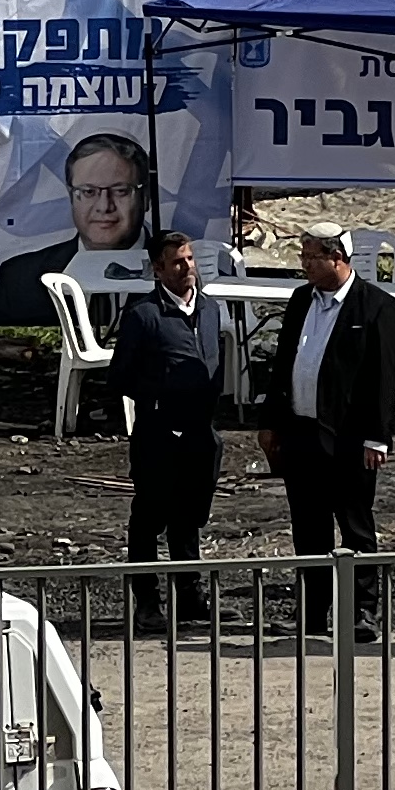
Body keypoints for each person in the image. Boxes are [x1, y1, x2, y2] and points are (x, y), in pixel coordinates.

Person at [264, 226, 395, 645]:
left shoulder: (377, 307)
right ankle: (311, 612)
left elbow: (384, 378)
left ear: (337, 257)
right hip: (301, 431)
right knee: (308, 528)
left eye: (312, 257)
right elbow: (284, 361)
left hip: (348, 437)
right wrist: (271, 422)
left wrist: (377, 437)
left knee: (356, 527)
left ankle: (363, 611)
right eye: (303, 256)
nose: (305, 264)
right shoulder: (301, 300)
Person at [107, 227, 229, 634]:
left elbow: (215, 360)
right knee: (149, 515)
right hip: (159, 431)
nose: (187, 268)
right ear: (158, 269)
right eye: (177, 262)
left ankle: (189, 596)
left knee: (189, 515)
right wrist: (163, 392)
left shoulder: (210, 309)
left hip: (200, 429)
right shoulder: (144, 315)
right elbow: (120, 377)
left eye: (190, 259)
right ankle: (146, 601)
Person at [0, 133, 153, 326]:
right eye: (88, 192)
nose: (104, 206)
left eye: (120, 191)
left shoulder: (183, 270)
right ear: (71, 196)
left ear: (146, 197)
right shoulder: (19, 278)